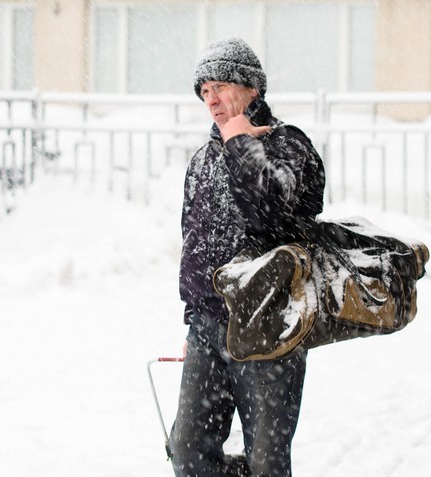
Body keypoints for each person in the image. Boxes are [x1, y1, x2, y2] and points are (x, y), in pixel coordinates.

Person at [169, 37, 326, 477]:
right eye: (204, 92)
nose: (212, 101)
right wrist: (192, 320)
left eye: (220, 86)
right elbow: (195, 248)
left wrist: (240, 143)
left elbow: (269, 215)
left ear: (252, 87)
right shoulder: (203, 160)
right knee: (188, 452)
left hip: (270, 327)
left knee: (266, 461)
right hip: (209, 329)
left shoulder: (290, 146)